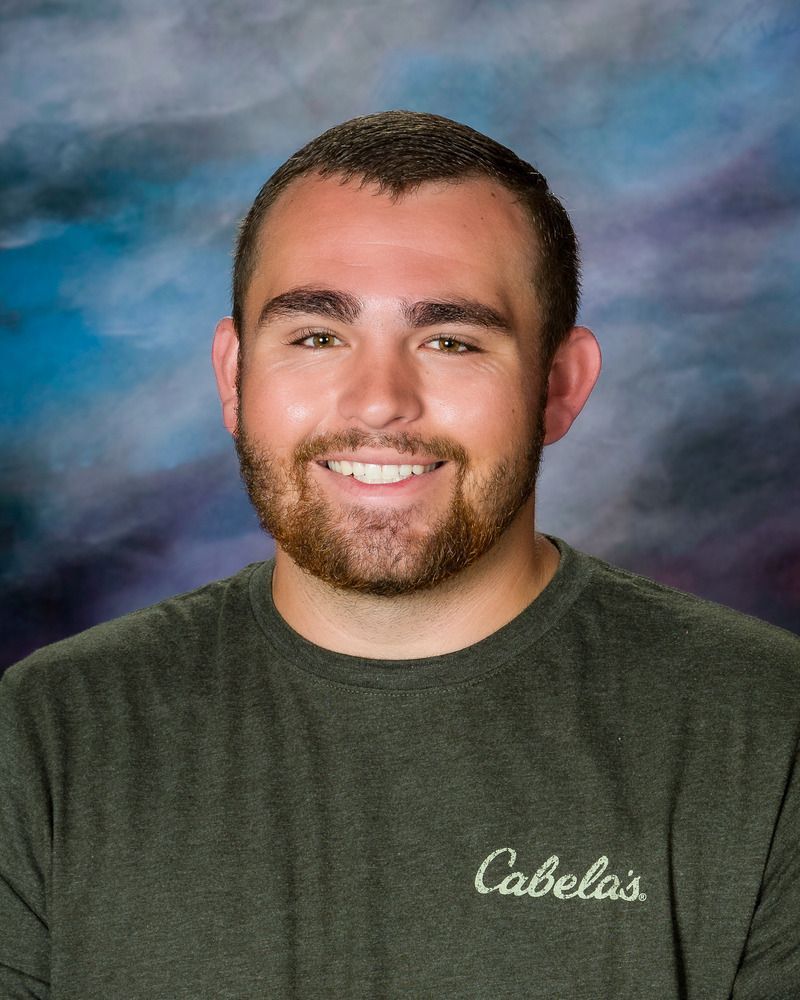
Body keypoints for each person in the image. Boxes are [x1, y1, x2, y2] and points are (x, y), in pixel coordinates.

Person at [1, 111, 797, 999]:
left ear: (559, 387)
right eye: (315, 336)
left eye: (451, 341)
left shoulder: (767, 729)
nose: (380, 402)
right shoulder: (49, 733)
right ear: (233, 378)